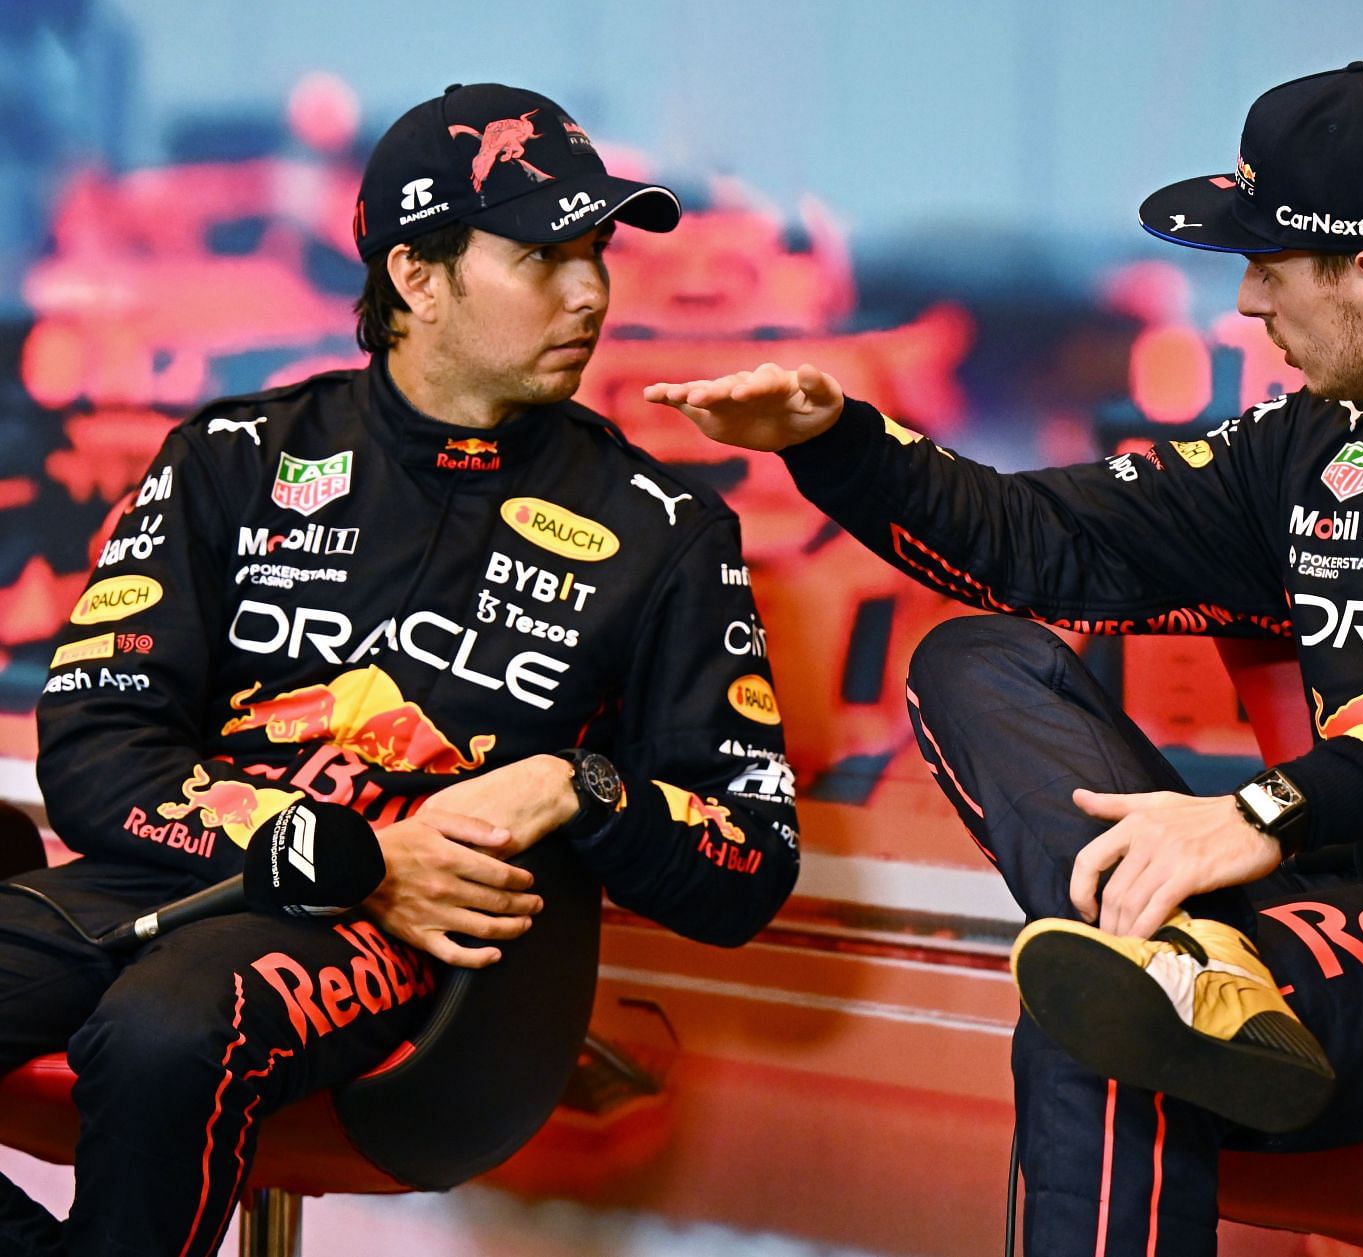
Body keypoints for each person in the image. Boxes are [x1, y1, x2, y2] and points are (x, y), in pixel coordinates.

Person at [646, 61, 1363, 1255]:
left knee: (1109, 1019)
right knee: (979, 661)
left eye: (1268, 268)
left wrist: (1274, 810)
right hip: (1328, 914)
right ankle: (1183, 948)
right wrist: (839, 444)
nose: (1243, 306)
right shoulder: (1311, 444)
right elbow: (1041, 545)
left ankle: (1178, 962)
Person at [1, 82, 798, 1256]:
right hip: (199, 872)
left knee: (165, 1029)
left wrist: (586, 791)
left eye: (597, 254)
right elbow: (94, 751)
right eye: (544, 257)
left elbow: (747, 862)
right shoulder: (231, 457)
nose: (591, 292)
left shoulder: (660, 527)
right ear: (417, 278)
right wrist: (346, 855)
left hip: (431, 949)